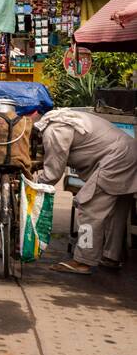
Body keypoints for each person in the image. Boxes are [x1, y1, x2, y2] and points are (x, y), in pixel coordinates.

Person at [37, 110, 137, 275]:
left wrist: (34, 187)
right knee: (117, 212)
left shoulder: (54, 130)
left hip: (116, 159)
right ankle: (111, 256)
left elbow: (52, 174)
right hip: (129, 153)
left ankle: (82, 261)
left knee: (89, 208)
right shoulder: (63, 118)